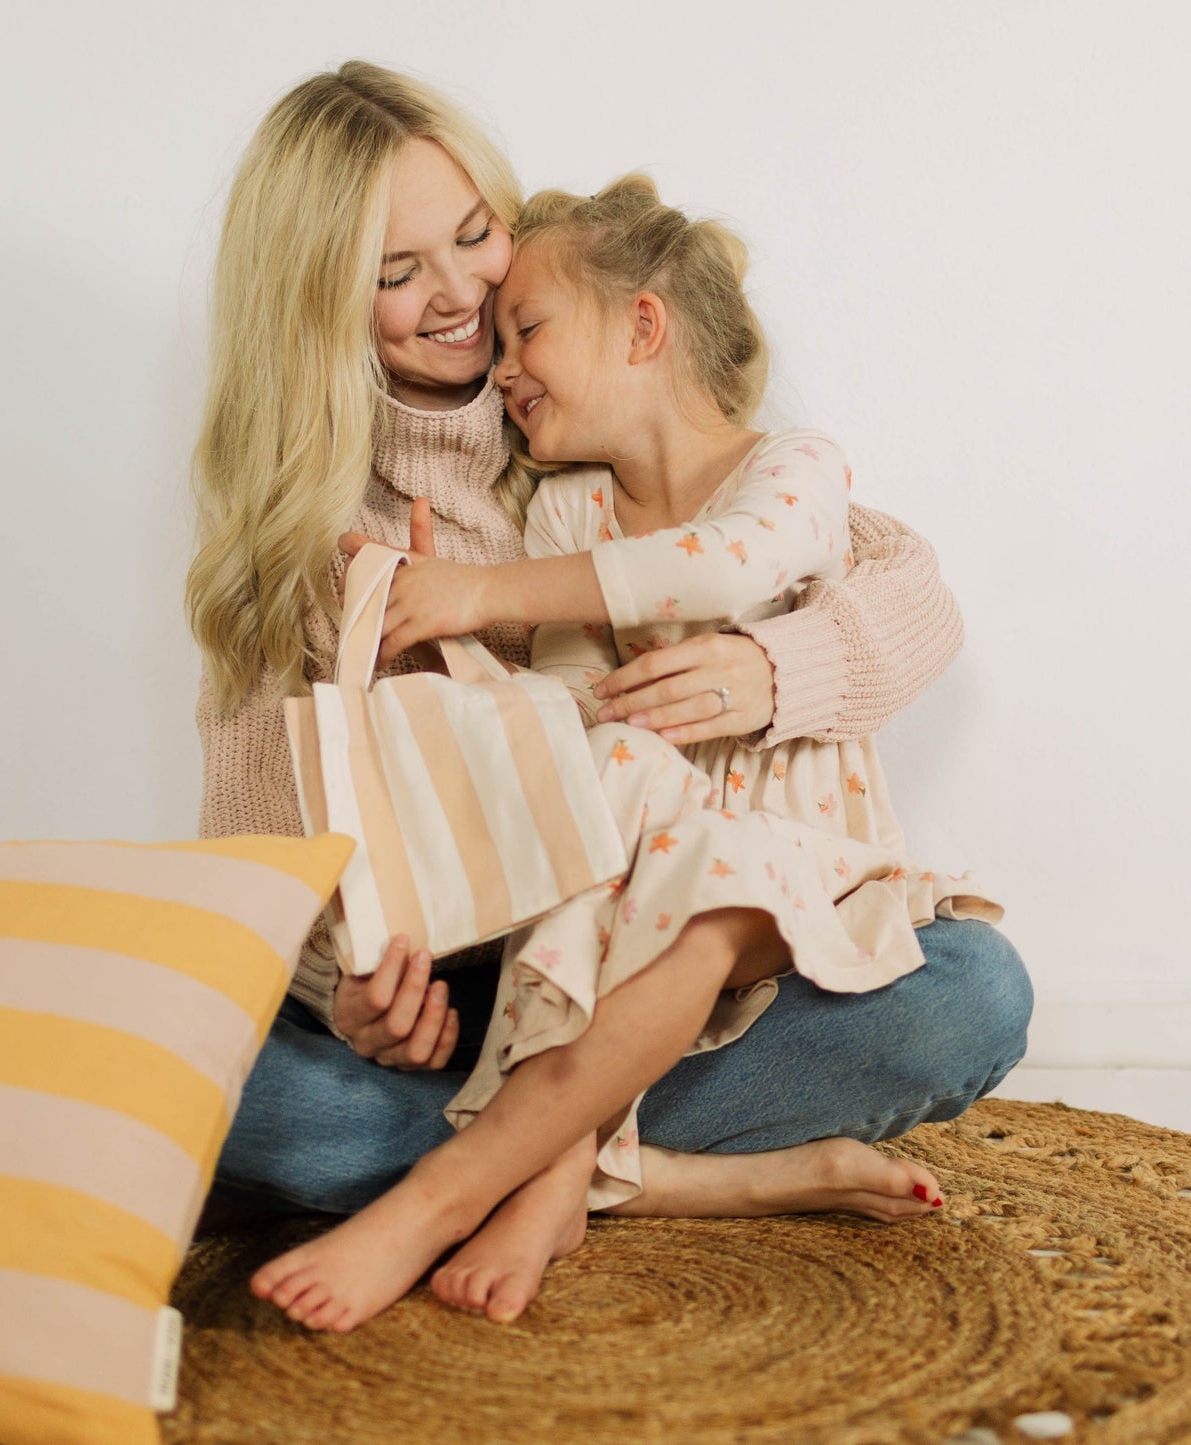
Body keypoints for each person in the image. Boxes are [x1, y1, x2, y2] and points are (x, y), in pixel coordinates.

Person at [188, 61, 1031, 1320]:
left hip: (685, 942)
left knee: (970, 992)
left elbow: (907, 594)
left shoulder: (588, 424)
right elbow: (260, 852)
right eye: (395, 268)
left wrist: (766, 668)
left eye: (475, 235)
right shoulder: (314, 536)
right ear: (318, 300)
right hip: (492, 976)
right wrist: (355, 985)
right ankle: (658, 1168)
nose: (466, 293)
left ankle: (505, 1162)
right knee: (252, 1095)